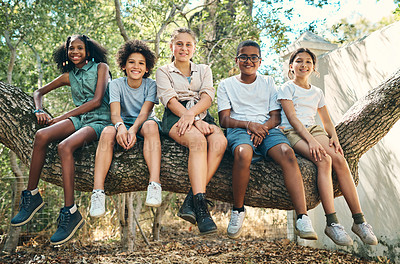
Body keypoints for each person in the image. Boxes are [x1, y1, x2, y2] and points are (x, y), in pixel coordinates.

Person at [10, 35, 111, 245]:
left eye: (79, 48)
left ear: (88, 51)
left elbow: (96, 101)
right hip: (78, 120)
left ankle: (70, 211)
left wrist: (59, 117)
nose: (75, 52)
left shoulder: (101, 68)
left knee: (65, 146)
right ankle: (32, 195)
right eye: (71, 48)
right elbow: (38, 92)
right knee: (41, 135)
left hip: (99, 120)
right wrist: (38, 109)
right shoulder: (68, 76)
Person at [277, 47, 378, 246]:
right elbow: (293, 119)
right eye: (299, 61)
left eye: (308, 61)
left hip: (314, 130)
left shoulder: (317, 92)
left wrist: (335, 139)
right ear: (291, 66)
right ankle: (332, 222)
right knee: (324, 160)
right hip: (293, 132)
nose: (303, 65)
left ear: (314, 68)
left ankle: (359, 221)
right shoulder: (286, 88)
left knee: (339, 159)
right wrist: (312, 141)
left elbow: (326, 120)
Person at [218, 40, 317, 240]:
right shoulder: (226, 84)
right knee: (242, 153)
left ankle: (302, 216)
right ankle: (238, 211)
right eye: (244, 56)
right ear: (237, 60)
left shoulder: (268, 82)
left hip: (267, 129)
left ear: (260, 61)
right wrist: (249, 125)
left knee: (287, 153)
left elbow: (276, 117)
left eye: (254, 57)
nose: (249, 61)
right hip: (239, 129)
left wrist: (260, 128)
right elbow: (225, 119)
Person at [156, 27, 227, 235]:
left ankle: (190, 201)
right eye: (179, 44)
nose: (183, 48)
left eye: (188, 45)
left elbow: (207, 97)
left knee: (220, 141)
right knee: (198, 141)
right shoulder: (164, 71)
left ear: (194, 48)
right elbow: (170, 101)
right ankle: (202, 207)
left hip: (201, 113)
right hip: (175, 116)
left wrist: (196, 116)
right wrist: (193, 120)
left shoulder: (204, 69)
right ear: (171, 46)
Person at [90, 39, 162, 217]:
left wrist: (133, 130)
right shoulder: (115, 84)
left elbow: (145, 113)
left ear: (147, 68)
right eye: (131, 62)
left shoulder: (151, 85)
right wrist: (121, 127)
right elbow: (115, 114)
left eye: (141, 63)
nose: (135, 66)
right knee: (107, 132)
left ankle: (154, 184)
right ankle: (97, 193)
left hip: (143, 123)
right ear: (123, 65)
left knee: (152, 126)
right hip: (121, 121)